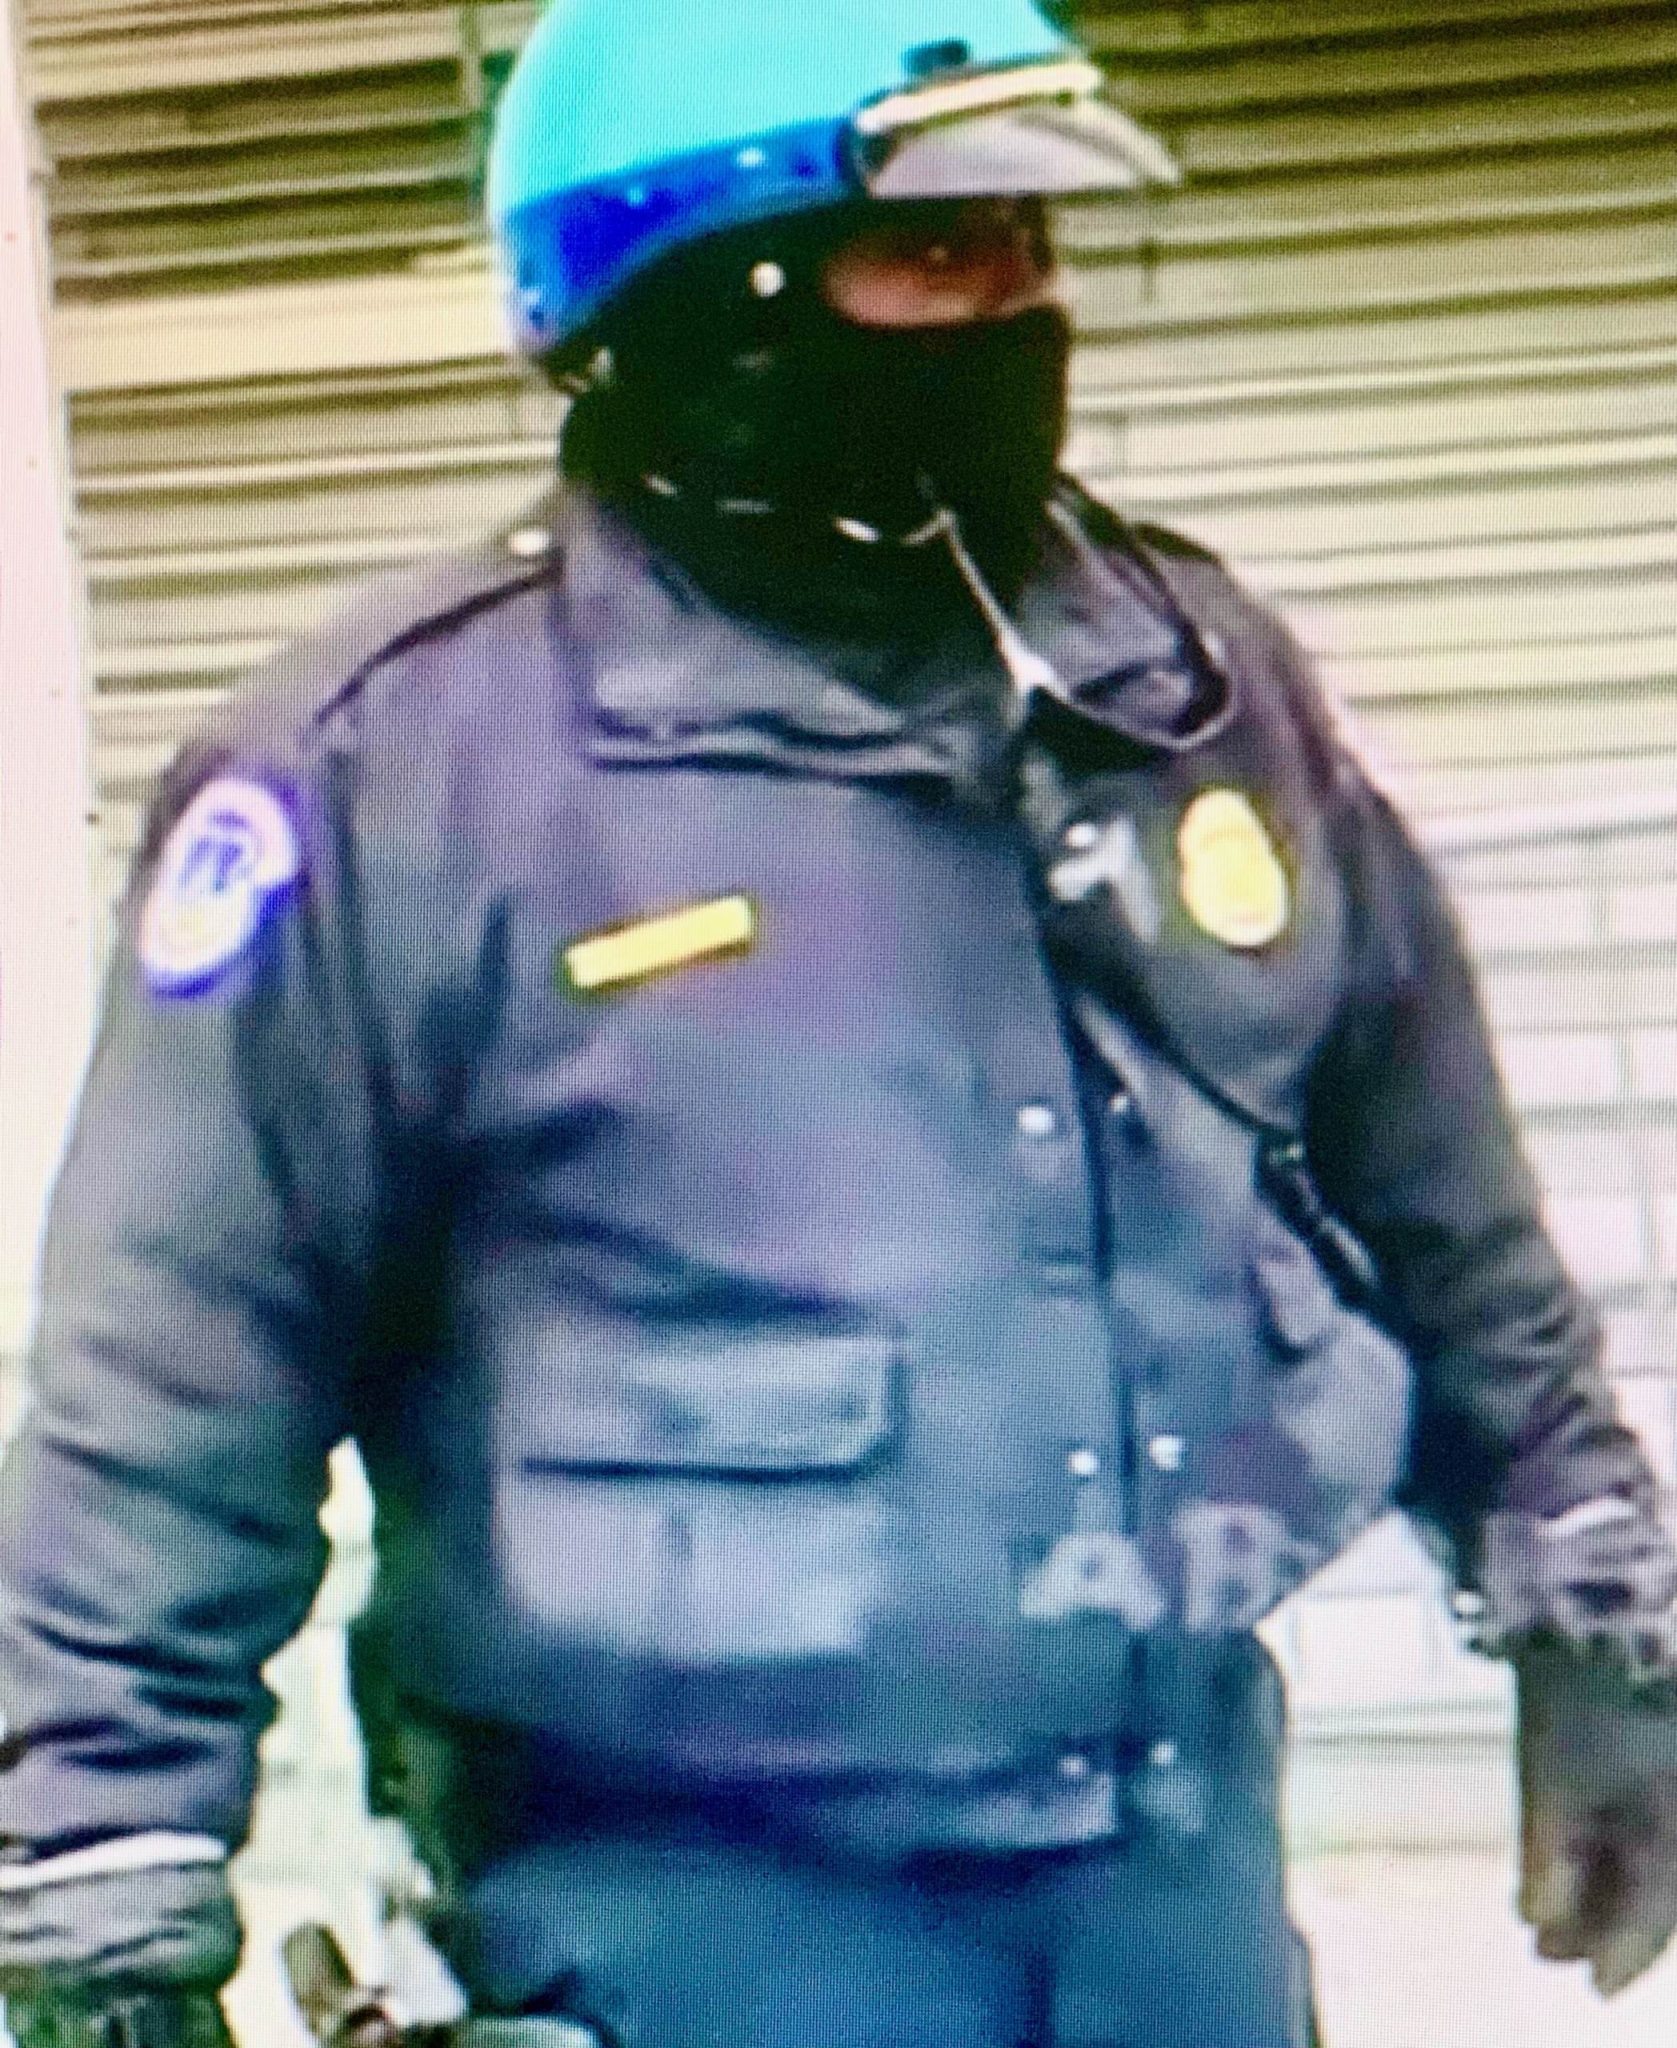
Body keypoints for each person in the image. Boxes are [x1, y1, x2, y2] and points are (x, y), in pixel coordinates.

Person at [3, 2, 1677, 2044]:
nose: (1015, 311)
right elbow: (177, 1366)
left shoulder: (1176, 683)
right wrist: (103, 1886)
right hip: (677, 1920)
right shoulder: (387, 773)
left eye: (1030, 250)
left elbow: (1433, 1200)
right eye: (939, 251)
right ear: (712, 294)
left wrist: (1591, 1604)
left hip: (1167, 1896)